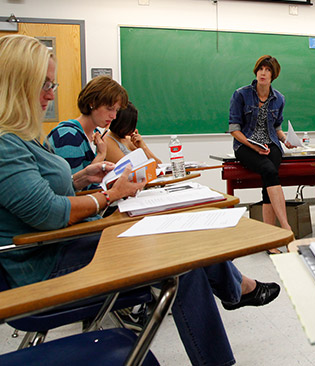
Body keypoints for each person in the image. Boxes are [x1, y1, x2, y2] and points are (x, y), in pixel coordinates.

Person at [0, 35, 279, 366]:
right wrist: (108, 195)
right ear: (17, 85)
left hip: (69, 243)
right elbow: (48, 213)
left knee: (181, 246)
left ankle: (234, 304)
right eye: (42, 84)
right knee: (181, 259)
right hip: (46, 265)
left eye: (52, 83)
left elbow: (44, 196)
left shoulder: (26, 137)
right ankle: (235, 301)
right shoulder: (9, 144)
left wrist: (81, 178)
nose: (51, 93)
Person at [229, 55, 295, 254]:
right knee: (268, 169)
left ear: (273, 75)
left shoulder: (279, 98)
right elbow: (234, 128)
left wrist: (286, 140)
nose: (263, 73)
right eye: (260, 69)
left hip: (271, 143)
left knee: (269, 180)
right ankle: (286, 228)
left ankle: (270, 240)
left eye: (267, 70)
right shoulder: (241, 95)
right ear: (256, 72)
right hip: (246, 144)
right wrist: (254, 146)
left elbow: (276, 128)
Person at [47, 75, 125, 180]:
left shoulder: (96, 133)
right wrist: (101, 155)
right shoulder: (68, 135)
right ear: (92, 103)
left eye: (116, 110)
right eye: (109, 108)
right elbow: (75, 187)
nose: (114, 116)